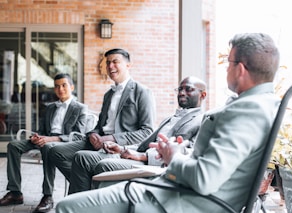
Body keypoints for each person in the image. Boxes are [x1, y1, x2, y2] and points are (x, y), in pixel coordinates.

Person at [55, 33, 280, 213]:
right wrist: (175, 152)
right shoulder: (260, 105)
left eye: (229, 63)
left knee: (67, 210)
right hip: (175, 192)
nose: (227, 68)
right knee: (96, 179)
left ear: (240, 69)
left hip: (181, 207)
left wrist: (174, 156)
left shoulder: (247, 111)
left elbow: (204, 179)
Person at [68, 76, 207, 194]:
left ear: (203, 95)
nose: (182, 92)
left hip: (155, 165)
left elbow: (189, 154)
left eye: (188, 89)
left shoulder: (202, 121)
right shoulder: (169, 119)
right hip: (138, 155)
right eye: (180, 89)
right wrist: (121, 149)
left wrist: (142, 156)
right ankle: (73, 210)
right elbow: (145, 144)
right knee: (82, 157)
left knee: (104, 165)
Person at [48, 48, 155, 190]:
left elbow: (147, 131)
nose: (110, 66)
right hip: (98, 141)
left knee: (81, 157)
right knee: (55, 152)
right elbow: (100, 124)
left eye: (115, 62)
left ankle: (82, 186)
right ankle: (85, 182)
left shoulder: (142, 92)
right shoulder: (108, 94)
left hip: (117, 146)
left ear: (128, 65)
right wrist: (93, 133)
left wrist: (112, 138)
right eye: (108, 63)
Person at [0, 73, 87, 213]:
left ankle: (47, 196)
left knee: (47, 147)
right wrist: (37, 136)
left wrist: (51, 139)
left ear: (71, 87)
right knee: (13, 146)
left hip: (63, 143)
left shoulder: (80, 108)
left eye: (64, 85)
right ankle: (15, 192)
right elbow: (42, 130)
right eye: (57, 86)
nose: (60, 89)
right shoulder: (50, 107)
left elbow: (79, 136)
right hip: (45, 139)